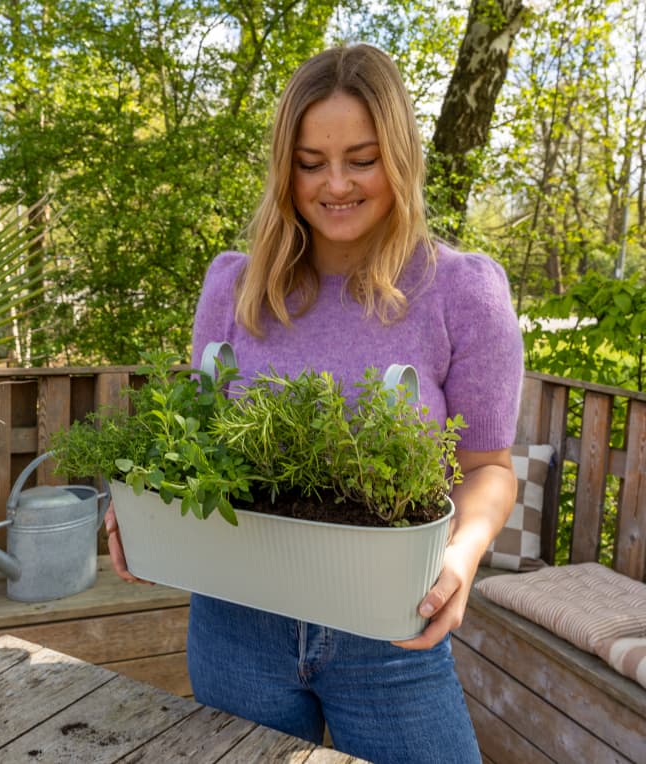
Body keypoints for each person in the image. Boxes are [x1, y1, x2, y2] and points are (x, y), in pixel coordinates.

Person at [105, 43, 523, 763]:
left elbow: (488, 466)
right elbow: (197, 437)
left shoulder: (462, 291)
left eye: (361, 158)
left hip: (391, 633)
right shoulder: (233, 288)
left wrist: (461, 554)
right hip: (235, 623)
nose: (335, 184)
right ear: (285, 166)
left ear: (400, 156)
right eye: (310, 162)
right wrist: (145, 507)